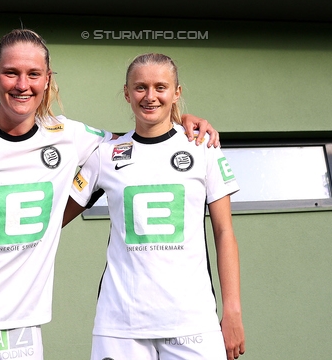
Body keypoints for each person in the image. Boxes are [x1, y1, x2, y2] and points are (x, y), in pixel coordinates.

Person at [0, 30, 220, 360]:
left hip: (21, 330)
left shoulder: (71, 136)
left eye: (33, 74)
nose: (22, 85)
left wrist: (182, 121)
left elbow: (138, 141)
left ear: (47, 79)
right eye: (11, 73)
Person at [66, 53, 245, 360]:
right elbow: (53, 217)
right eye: (140, 88)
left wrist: (233, 312)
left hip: (193, 322)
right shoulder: (106, 155)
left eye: (160, 87)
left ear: (177, 93)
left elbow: (224, 232)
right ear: (126, 93)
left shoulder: (203, 149)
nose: (150, 96)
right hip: (120, 325)